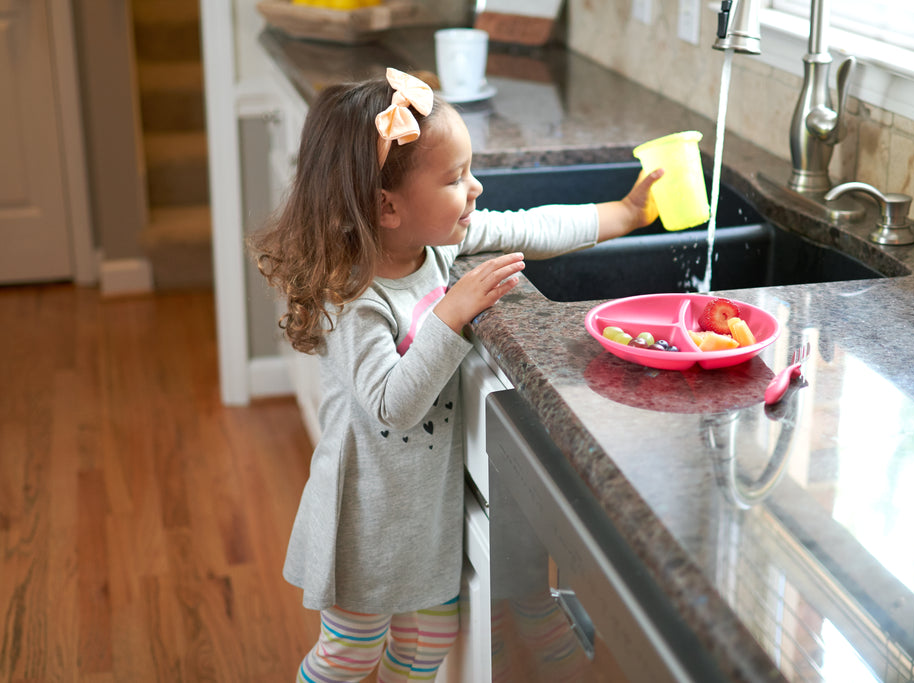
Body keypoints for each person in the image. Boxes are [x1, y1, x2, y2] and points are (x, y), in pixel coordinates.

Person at [249, 68, 662, 683]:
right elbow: (393, 404)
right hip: (365, 520)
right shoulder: (352, 296)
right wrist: (452, 311)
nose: (476, 188)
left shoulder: (440, 246)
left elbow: (532, 226)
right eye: (454, 178)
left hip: (424, 516)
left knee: (427, 646)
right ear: (387, 206)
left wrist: (624, 214)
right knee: (349, 656)